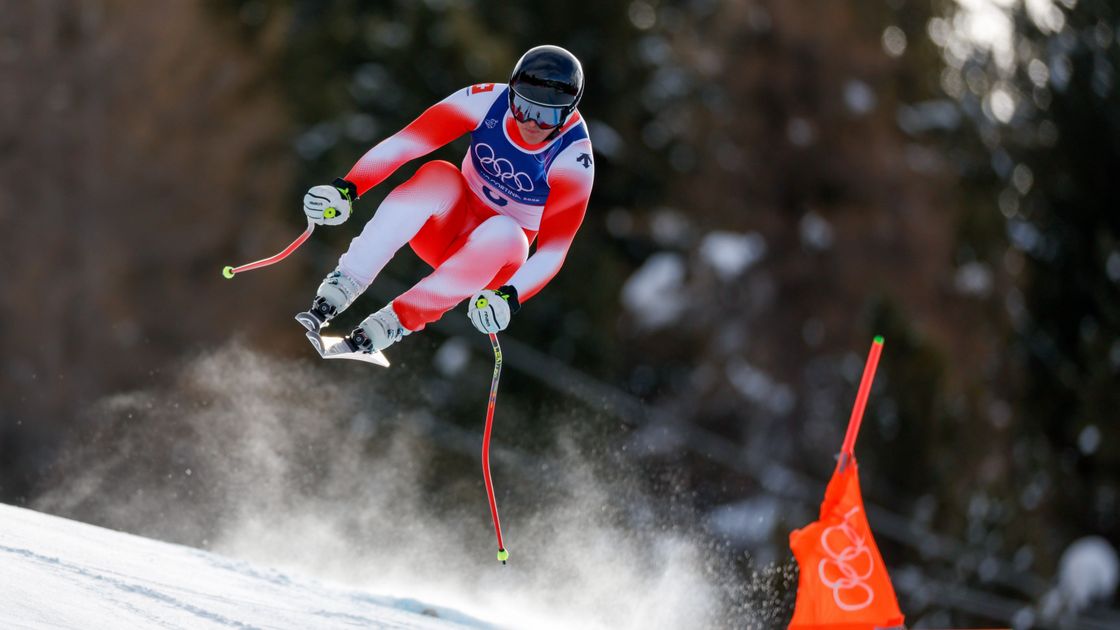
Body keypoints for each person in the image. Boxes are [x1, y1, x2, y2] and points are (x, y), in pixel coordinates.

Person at [295, 45, 595, 357]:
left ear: (567, 113)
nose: (531, 123)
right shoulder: (486, 102)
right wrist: (347, 188)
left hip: (490, 263)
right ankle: (345, 282)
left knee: (508, 233)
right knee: (438, 174)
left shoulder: (573, 158)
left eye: (546, 116)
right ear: (510, 95)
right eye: (522, 108)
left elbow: (554, 250)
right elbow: (407, 142)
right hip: (443, 228)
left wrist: (510, 296)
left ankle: (394, 321)